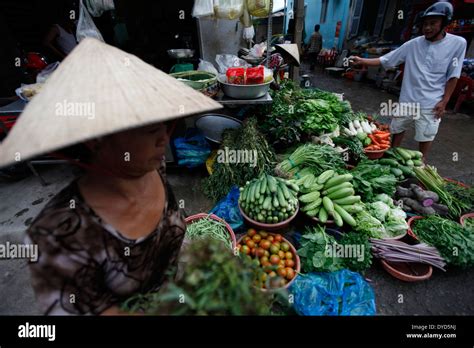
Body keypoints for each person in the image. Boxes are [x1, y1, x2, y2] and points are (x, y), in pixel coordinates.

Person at [0, 38, 222, 315]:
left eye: (164, 124)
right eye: (148, 128)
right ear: (97, 140)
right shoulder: (57, 235)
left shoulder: (153, 168)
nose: (165, 138)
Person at [350, 2, 466, 159]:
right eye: (425, 24)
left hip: (431, 101)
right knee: (396, 129)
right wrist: (362, 61)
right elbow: (387, 60)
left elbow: (454, 75)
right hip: (407, 99)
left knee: (425, 135)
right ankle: (389, 157)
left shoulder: (458, 44)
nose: (427, 28)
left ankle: (420, 163)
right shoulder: (413, 44)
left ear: (444, 23)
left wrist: (444, 102)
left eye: (433, 23)